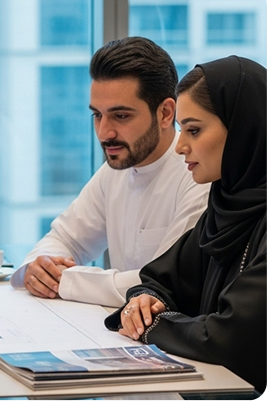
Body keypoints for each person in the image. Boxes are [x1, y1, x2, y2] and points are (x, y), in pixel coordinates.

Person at [105, 55, 267, 394]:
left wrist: (153, 326)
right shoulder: (225, 208)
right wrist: (145, 301)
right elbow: (163, 279)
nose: (179, 146)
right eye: (181, 130)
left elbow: (230, 338)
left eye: (193, 130)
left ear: (243, 129)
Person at [10, 37, 210, 307]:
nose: (104, 133)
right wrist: (40, 267)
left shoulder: (198, 177)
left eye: (121, 116)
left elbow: (160, 284)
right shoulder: (117, 168)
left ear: (165, 113)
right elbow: (65, 239)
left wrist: (66, 281)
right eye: (97, 115)